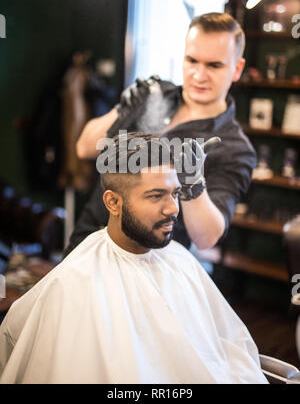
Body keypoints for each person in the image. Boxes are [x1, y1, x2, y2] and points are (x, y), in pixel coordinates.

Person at [0, 133, 267, 384]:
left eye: (175, 193)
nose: (173, 208)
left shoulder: (179, 259)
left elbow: (226, 350)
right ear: (113, 203)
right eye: (156, 196)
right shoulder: (75, 280)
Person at [64, 12, 257, 256]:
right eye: (192, 61)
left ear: (237, 68)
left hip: (150, 264)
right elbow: (84, 147)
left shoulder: (234, 148)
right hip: (88, 241)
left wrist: (193, 182)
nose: (199, 75)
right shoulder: (153, 94)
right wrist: (123, 110)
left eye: (214, 65)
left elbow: (207, 237)